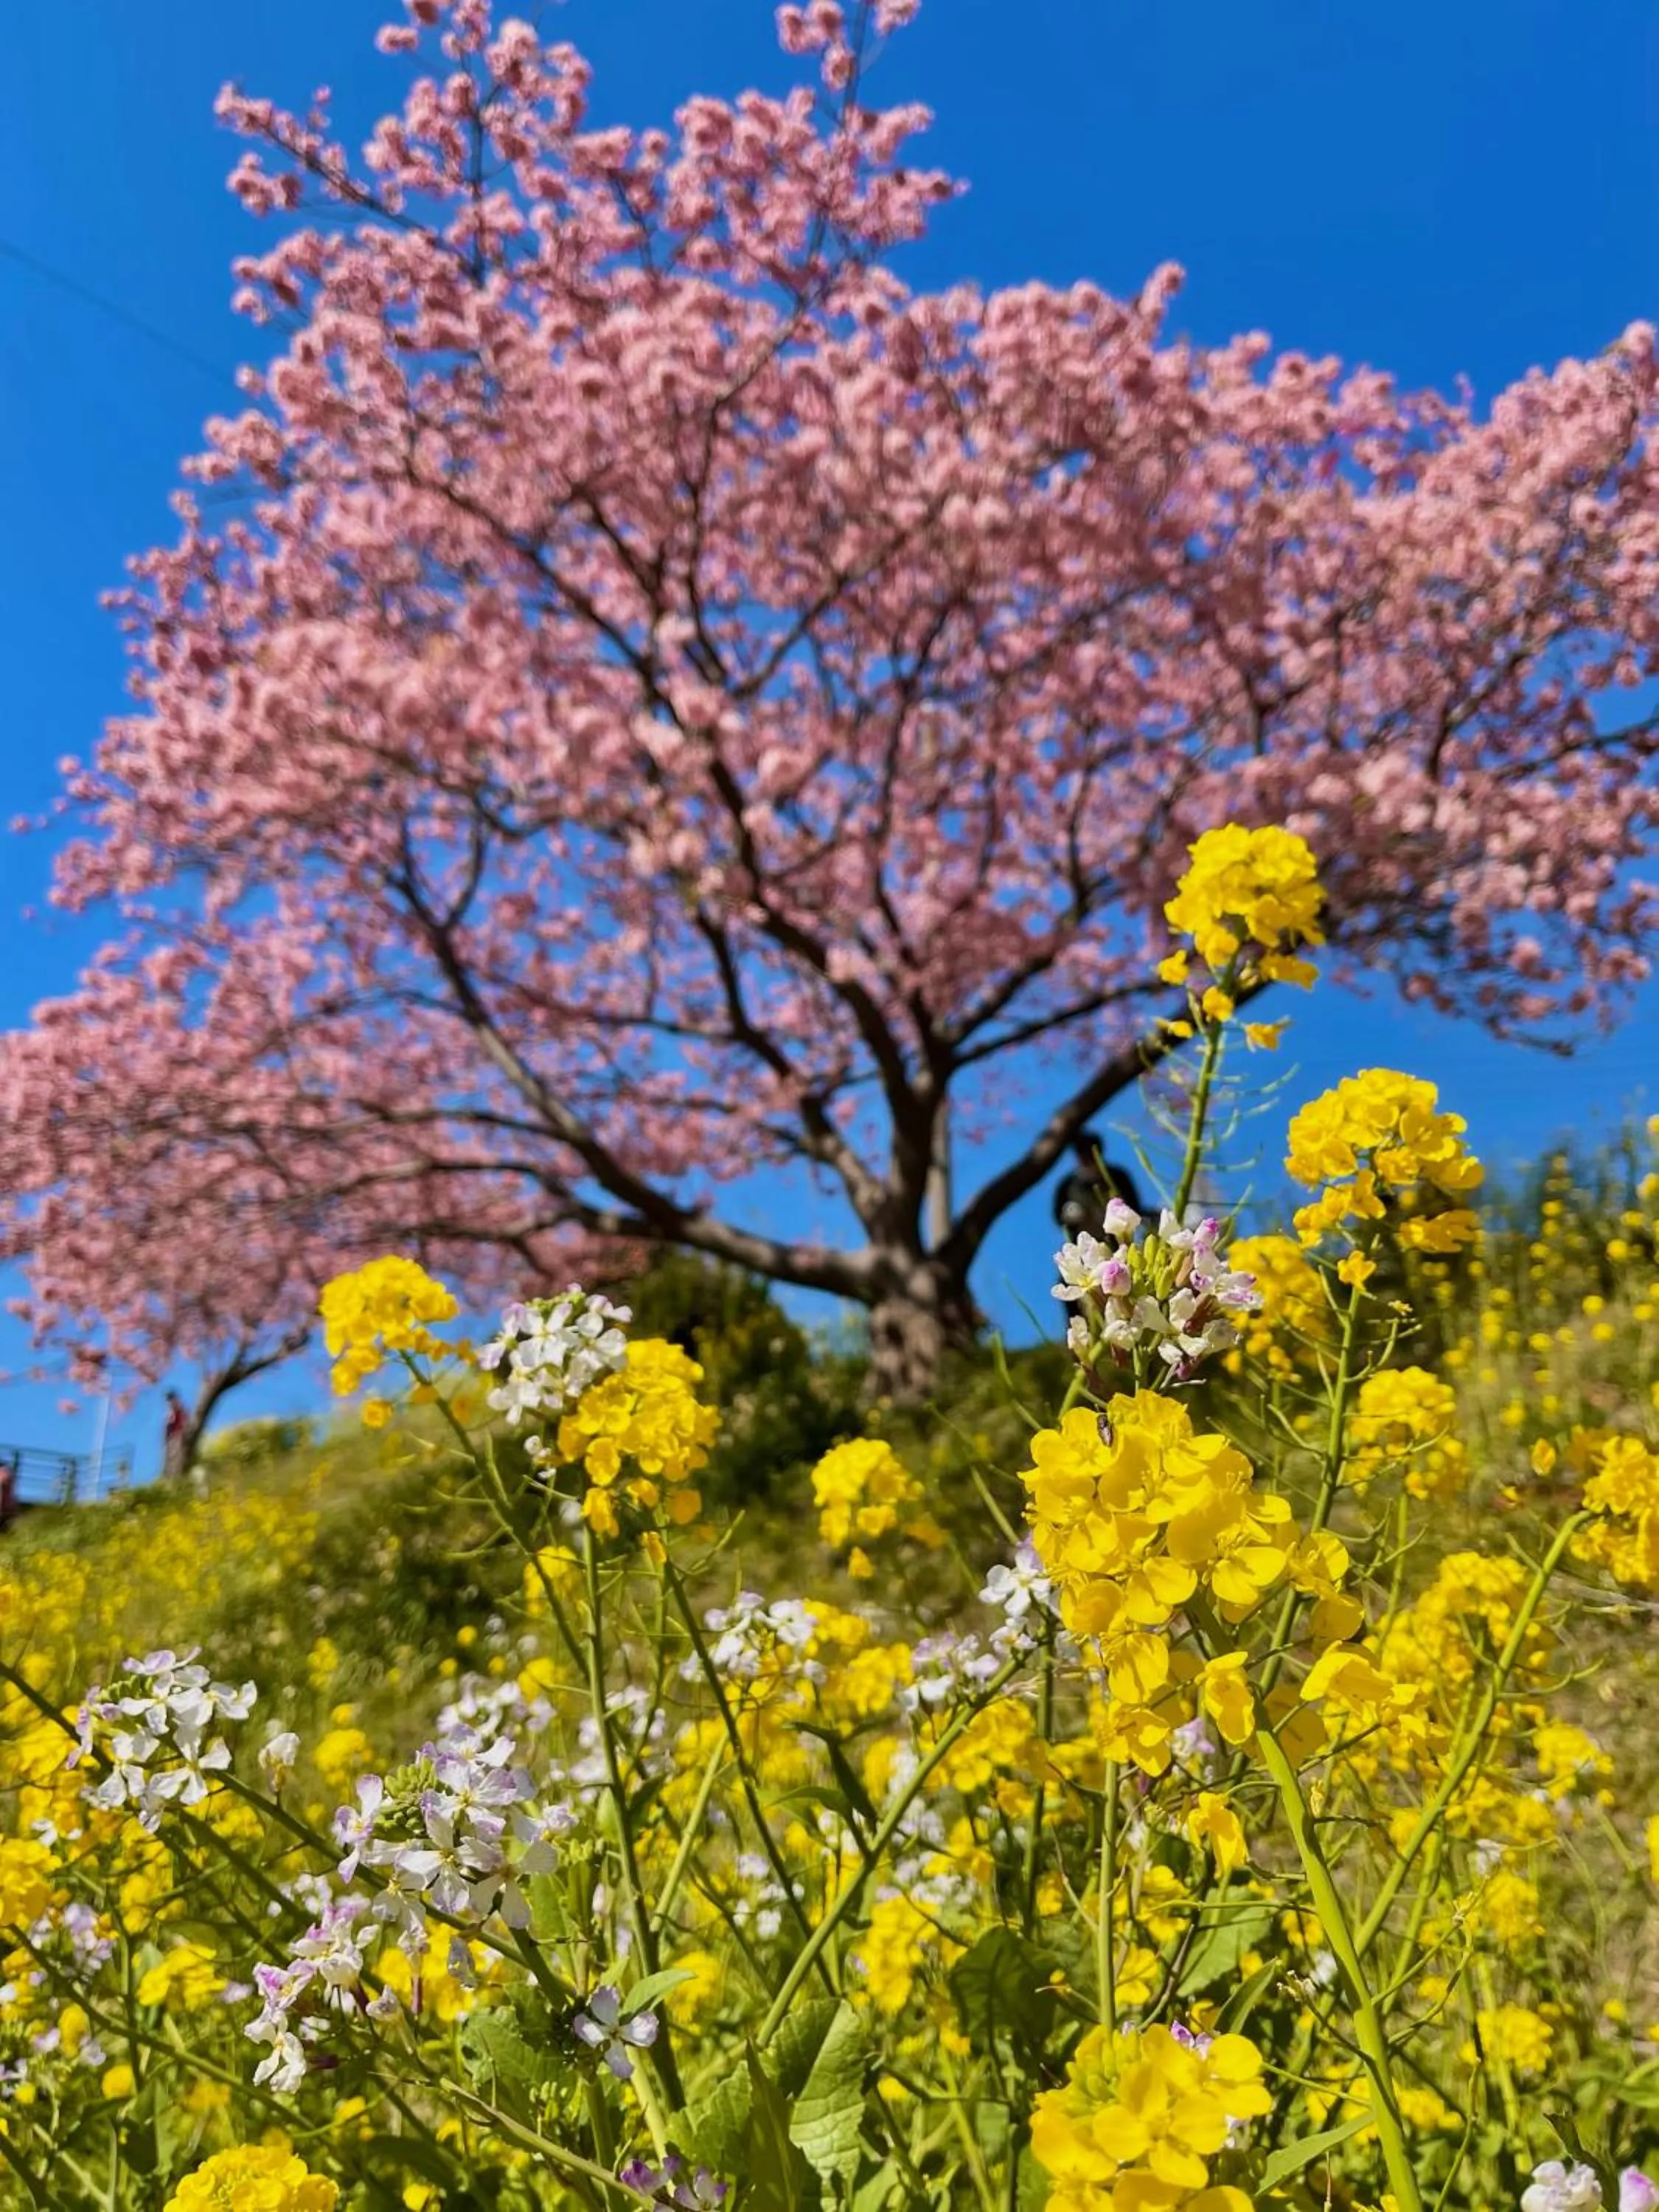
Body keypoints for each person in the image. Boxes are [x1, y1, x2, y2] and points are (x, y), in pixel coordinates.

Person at [1052, 1132, 1146, 1241]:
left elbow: (1135, 1208)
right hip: (1084, 1245)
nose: (1086, 1158)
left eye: (1090, 1152)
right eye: (1082, 1152)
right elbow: (1059, 1218)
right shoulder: (1067, 1185)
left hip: (1118, 1242)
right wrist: (1069, 1217)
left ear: (1098, 1153)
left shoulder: (1118, 1178)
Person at [162, 1390, 190, 1484]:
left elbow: (187, 1427)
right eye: (169, 1402)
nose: (171, 1404)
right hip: (172, 1444)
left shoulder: (183, 1413)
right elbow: (166, 1436)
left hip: (182, 1441)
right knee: (170, 1467)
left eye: (172, 1400)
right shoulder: (169, 1417)